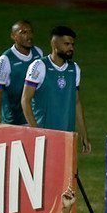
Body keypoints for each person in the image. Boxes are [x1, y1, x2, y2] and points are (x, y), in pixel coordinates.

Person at [21, 26, 91, 154]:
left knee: (68, 174)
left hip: (67, 138)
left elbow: (76, 102)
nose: (71, 48)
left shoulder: (74, 69)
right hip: (45, 138)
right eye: (66, 44)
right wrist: (36, 132)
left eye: (72, 44)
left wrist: (84, 134)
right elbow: (25, 100)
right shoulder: (39, 66)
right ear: (54, 44)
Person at [0, 20, 44, 124]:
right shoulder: (5, 60)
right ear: (13, 36)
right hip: (14, 122)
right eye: (23, 33)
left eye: (30, 32)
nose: (29, 36)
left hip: (34, 119)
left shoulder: (38, 53)